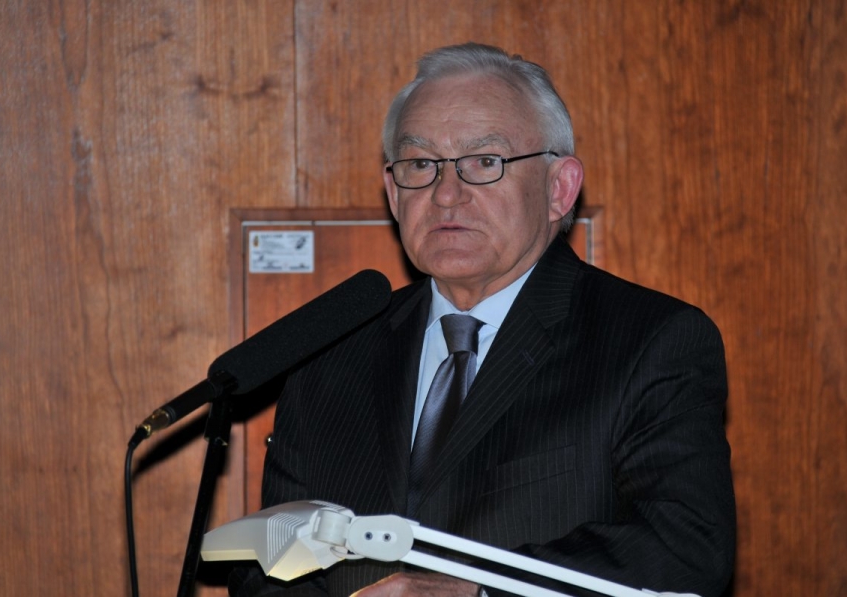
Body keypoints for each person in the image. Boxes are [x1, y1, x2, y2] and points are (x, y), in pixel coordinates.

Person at [229, 42, 735, 597]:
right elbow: (271, 566)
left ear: (559, 188)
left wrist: (479, 592)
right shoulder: (330, 356)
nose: (446, 194)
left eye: (484, 162)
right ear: (394, 193)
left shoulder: (650, 340)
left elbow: (684, 549)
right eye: (420, 164)